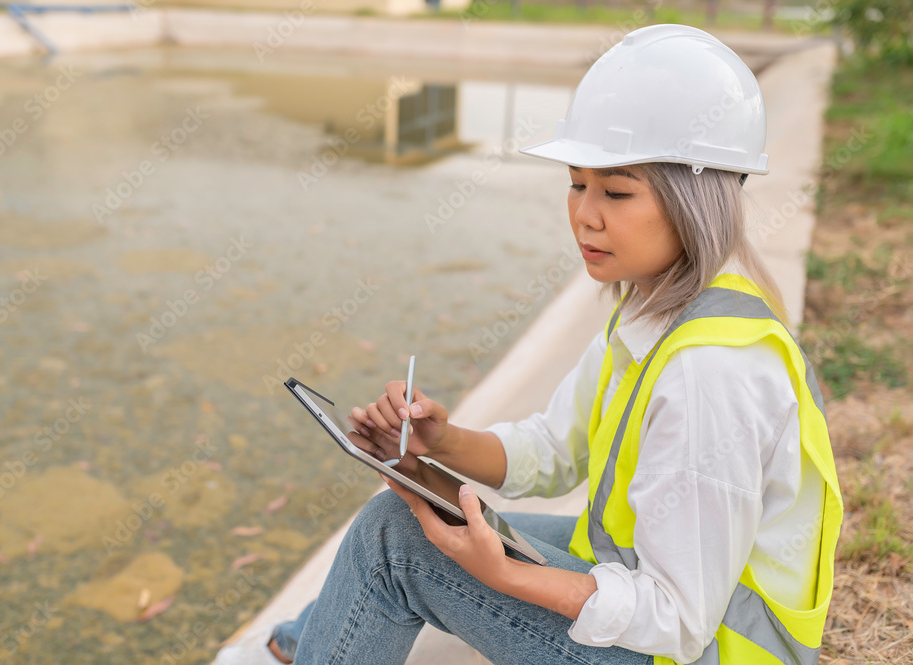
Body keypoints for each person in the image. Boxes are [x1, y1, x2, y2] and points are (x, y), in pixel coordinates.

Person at [214, 23, 842, 665]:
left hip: (695, 651)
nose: (584, 215)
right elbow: (554, 449)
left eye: (616, 191)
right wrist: (441, 443)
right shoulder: (659, 307)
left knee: (395, 540)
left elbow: (677, 620)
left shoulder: (713, 374)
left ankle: (291, 649)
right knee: (424, 507)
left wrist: (508, 575)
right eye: (577, 183)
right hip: (654, 597)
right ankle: (295, 645)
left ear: (698, 199)